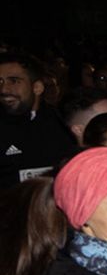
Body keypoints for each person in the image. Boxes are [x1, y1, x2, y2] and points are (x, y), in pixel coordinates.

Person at [0, 51, 74, 185]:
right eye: (0, 81)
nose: (4, 89)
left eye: (14, 81)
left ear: (37, 88)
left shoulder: (64, 125)